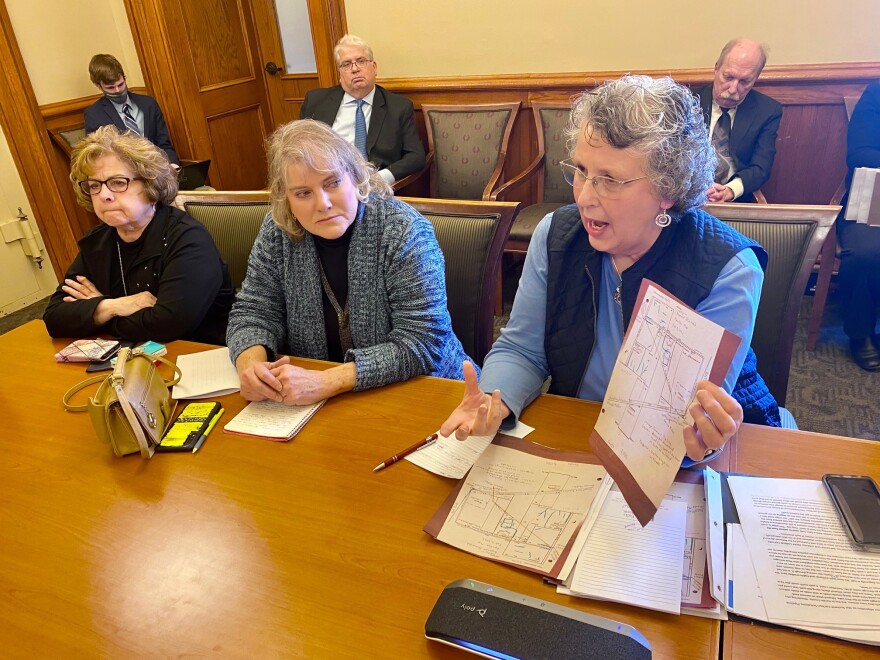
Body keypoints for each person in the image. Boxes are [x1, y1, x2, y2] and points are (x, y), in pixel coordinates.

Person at [440, 75, 782, 462]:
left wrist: (699, 443)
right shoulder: (555, 235)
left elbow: (690, 424)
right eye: (582, 171)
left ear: (668, 190)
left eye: (610, 181)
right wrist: (492, 401)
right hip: (581, 433)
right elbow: (523, 349)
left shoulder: (727, 269)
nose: (584, 197)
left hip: (685, 458)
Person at [226, 119, 470, 405]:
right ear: (286, 198)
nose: (323, 203)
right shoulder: (277, 231)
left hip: (427, 392)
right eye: (303, 193)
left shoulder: (403, 230)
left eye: (333, 183)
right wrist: (251, 366)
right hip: (323, 404)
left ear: (355, 177)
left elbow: (423, 343)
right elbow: (253, 312)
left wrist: (328, 381)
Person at [43, 125, 233, 345]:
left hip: (197, 356)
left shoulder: (188, 239)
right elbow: (54, 317)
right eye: (94, 185)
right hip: (131, 356)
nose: (104, 194)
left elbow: (168, 326)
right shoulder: (98, 241)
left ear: (152, 184)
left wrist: (95, 311)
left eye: (118, 183)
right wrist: (113, 306)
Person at [298, 34, 425, 185]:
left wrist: (380, 179)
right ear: (340, 74)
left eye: (361, 61)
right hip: (324, 183)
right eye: (346, 64)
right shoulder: (316, 101)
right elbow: (298, 147)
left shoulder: (398, 107)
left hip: (373, 187)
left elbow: (416, 156)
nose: (355, 69)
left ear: (374, 67)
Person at [695, 39, 782, 203]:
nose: (733, 89)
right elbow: (669, 159)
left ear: (755, 79)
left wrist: (730, 190)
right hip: (686, 197)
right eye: (728, 77)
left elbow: (760, 167)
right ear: (716, 69)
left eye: (744, 81)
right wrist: (697, 186)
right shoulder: (687, 101)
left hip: (734, 200)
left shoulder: (767, 111)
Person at [837, 82, 880, 371]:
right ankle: (860, 331)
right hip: (875, 196)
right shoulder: (876, 93)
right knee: (867, 252)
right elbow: (861, 154)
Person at [84, 53, 181, 167]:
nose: (117, 90)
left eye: (121, 84)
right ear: (98, 86)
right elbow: (99, 157)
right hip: (125, 173)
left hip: (158, 170)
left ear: (124, 78)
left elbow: (164, 144)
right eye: (110, 88)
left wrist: (173, 165)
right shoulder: (94, 114)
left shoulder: (148, 104)